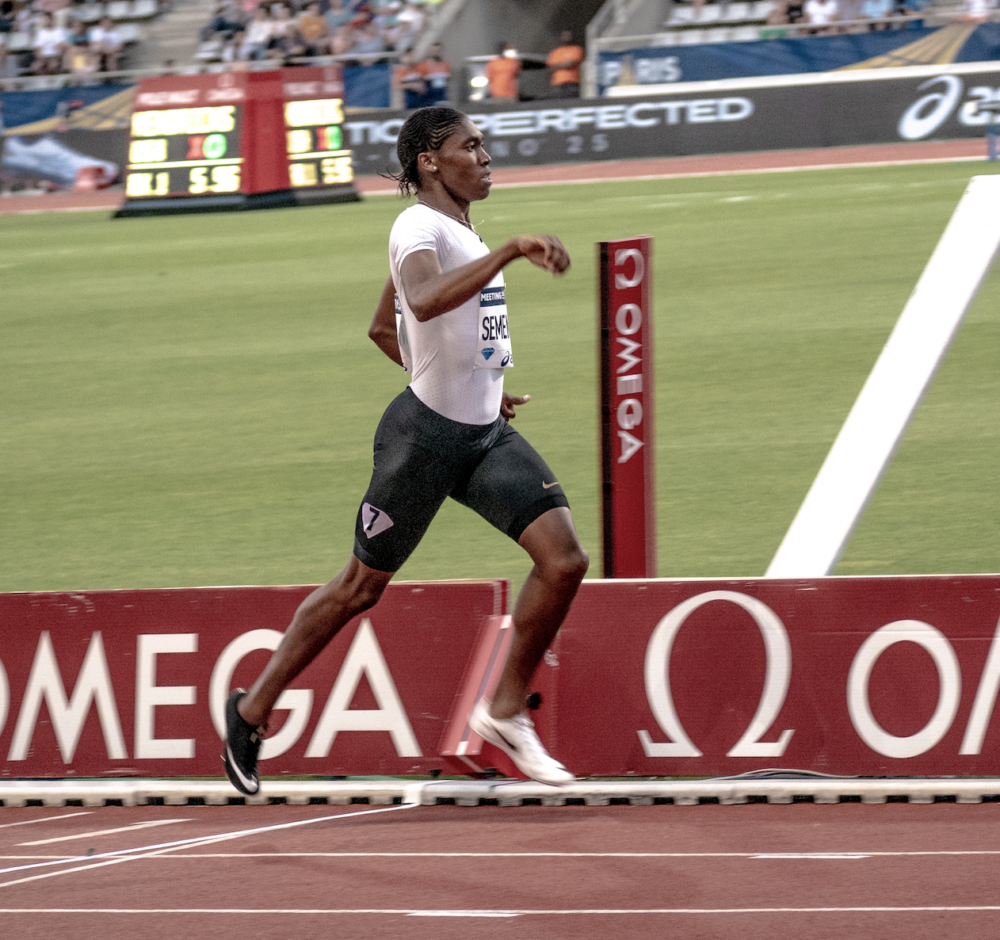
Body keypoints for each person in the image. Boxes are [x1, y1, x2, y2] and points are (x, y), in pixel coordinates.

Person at [224, 106, 588, 795]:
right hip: (422, 441)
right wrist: (509, 251)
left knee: (564, 559)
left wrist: (480, 380)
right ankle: (249, 711)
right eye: (469, 147)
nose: (485, 158)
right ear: (429, 161)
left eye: (484, 146)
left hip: (482, 433)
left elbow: (381, 327)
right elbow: (419, 302)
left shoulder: (453, 226)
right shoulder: (416, 225)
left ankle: (506, 711)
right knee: (360, 588)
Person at [546, 30, 583, 99]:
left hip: (572, 84)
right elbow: (550, 68)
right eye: (564, 36)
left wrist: (557, 66)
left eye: (568, 35)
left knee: (572, 104)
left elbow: (571, 64)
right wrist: (564, 64)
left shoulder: (576, 49)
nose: (566, 37)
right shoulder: (555, 52)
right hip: (558, 85)